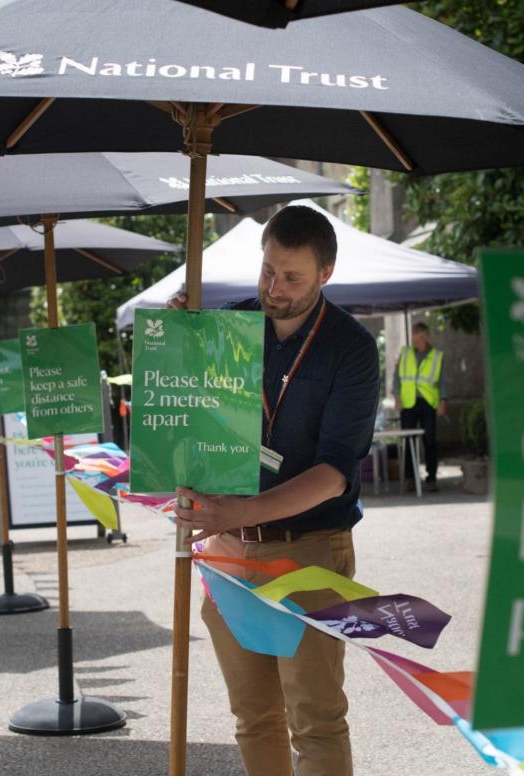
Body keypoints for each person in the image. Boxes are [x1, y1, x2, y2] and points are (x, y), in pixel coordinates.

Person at [170, 205, 379, 776]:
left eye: (292, 278)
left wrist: (242, 509)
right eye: (267, 271)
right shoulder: (229, 329)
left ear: (326, 273)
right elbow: (185, 414)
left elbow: (335, 471)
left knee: (315, 720)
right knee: (253, 716)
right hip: (229, 550)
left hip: (310, 548)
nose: (274, 289)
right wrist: (179, 340)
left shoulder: (352, 349)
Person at [393, 321, 446, 492]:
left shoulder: (437, 356)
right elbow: (396, 377)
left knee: (429, 441)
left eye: (421, 338)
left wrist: (443, 401)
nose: (417, 342)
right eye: (414, 338)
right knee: (408, 442)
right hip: (408, 404)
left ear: (428, 338)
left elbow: (441, 381)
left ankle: (431, 478)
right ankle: (410, 478)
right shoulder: (405, 353)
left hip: (428, 403)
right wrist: (397, 397)